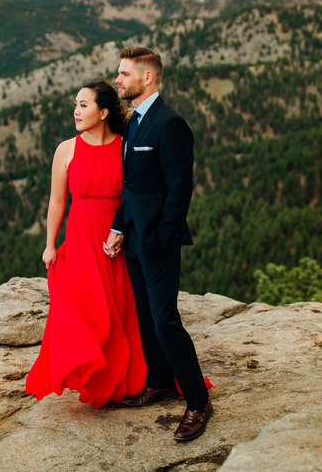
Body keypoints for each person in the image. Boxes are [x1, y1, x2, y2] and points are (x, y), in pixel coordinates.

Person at [104, 46, 212, 442]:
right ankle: (161, 382)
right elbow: (131, 185)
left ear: (147, 77)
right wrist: (120, 228)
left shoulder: (170, 123)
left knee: (166, 320)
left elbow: (180, 187)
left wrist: (163, 239)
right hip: (132, 237)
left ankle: (198, 402)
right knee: (146, 314)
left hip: (158, 242)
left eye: (124, 73)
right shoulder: (134, 122)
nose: (118, 80)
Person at [26, 80, 146, 408]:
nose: (76, 112)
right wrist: (50, 244)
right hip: (79, 240)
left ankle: (119, 379)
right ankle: (91, 376)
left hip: (115, 241)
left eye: (83, 105)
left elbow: (136, 199)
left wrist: (122, 232)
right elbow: (56, 202)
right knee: (87, 313)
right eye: (75, 105)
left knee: (118, 314)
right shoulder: (66, 149)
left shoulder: (126, 147)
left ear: (104, 112)